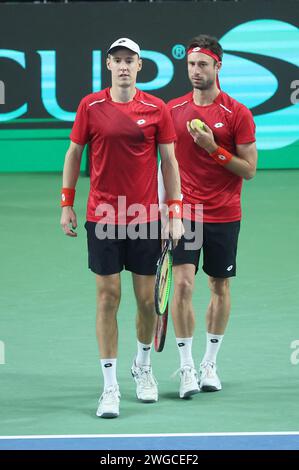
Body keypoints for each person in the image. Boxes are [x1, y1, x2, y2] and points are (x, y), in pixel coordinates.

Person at [60, 38, 184, 418]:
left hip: (144, 219)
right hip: (102, 217)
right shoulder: (90, 106)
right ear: (109, 66)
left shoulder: (157, 108)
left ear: (140, 66)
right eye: (118, 60)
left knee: (147, 302)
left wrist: (175, 211)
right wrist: (67, 203)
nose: (124, 66)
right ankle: (110, 387)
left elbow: (169, 161)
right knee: (107, 298)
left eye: (130, 60)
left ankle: (143, 368)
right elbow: (74, 153)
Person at [164, 34, 257, 397]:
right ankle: (186, 366)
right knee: (183, 284)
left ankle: (209, 363)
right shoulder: (172, 111)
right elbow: (164, 165)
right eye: (191, 64)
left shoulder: (238, 113)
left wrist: (212, 148)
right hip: (185, 213)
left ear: (218, 66)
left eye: (203, 64)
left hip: (224, 213)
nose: (195, 71)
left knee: (219, 286)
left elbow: (248, 170)